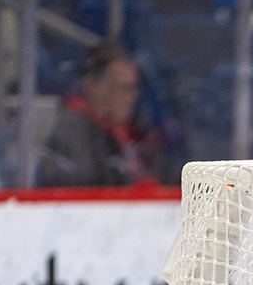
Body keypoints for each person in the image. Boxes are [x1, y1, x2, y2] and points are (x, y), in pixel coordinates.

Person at [37, 43, 163, 186]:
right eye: (123, 88)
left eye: (133, 89)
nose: (131, 97)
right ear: (91, 85)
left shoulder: (130, 131)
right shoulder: (73, 133)